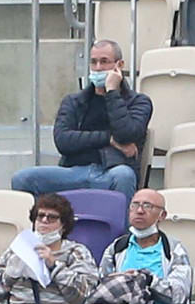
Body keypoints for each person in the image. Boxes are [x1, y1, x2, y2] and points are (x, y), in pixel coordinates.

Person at [15, 39, 149, 196]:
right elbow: (63, 140)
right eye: (94, 62)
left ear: (119, 65)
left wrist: (112, 92)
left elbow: (126, 134)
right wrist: (109, 139)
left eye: (104, 62)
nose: (98, 68)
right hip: (73, 171)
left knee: (124, 176)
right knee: (22, 179)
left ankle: (121, 221)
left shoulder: (139, 102)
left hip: (112, 170)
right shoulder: (74, 101)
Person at [0, 192, 102, 304]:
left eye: (52, 217)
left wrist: (54, 266)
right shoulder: (17, 249)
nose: (44, 221)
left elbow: (84, 295)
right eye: (40, 216)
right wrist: (9, 276)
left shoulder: (76, 251)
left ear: (63, 225)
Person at [89, 189, 193, 304]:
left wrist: (148, 280)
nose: (139, 210)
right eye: (135, 205)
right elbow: (99, 285)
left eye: (148, 206)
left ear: (162, 215)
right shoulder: (117, 248)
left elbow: (179, 294)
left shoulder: (173, 249)